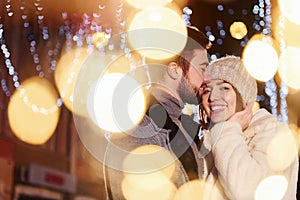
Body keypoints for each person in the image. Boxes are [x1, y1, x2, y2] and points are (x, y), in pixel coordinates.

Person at [104, 26, 212, 199]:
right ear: (174, 70)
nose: (207, 79)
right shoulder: (137, 130)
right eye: (202, 68)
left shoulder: (182, 127)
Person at [199, 55, 299, 199]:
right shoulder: (208, 143)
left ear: (243, 96)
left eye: (224, 88)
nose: (213, 97)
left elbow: (250, 193)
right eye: (207, 90)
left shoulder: (273, 134)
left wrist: (229, 130)